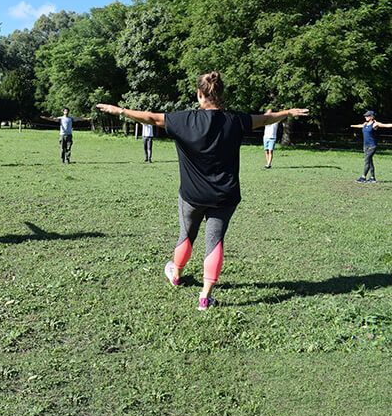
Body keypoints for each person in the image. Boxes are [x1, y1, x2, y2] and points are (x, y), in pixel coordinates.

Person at [97, 71, 308, 310]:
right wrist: (288, 113)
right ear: (221, 94)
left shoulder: (183, 120)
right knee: (215, 241)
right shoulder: (236, 120)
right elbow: (265, 119)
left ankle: (176, 274)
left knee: (187, 234)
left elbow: (151, 118)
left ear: (199, 94)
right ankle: (205, 297)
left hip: (192, 195)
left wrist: (120, 111)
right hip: (225, 196)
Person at [350, 111, 392, 183]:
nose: (365, 117)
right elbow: (360, 125)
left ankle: (363, 177)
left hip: (372, 146)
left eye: (367, 116)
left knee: (367, 160)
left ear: (372, 116)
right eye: (365, 116)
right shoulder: (365, 124)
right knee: (369, 161)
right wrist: (352, 126)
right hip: (365, 145)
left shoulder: (375, 124)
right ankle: (372, 177)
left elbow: (387, 125)